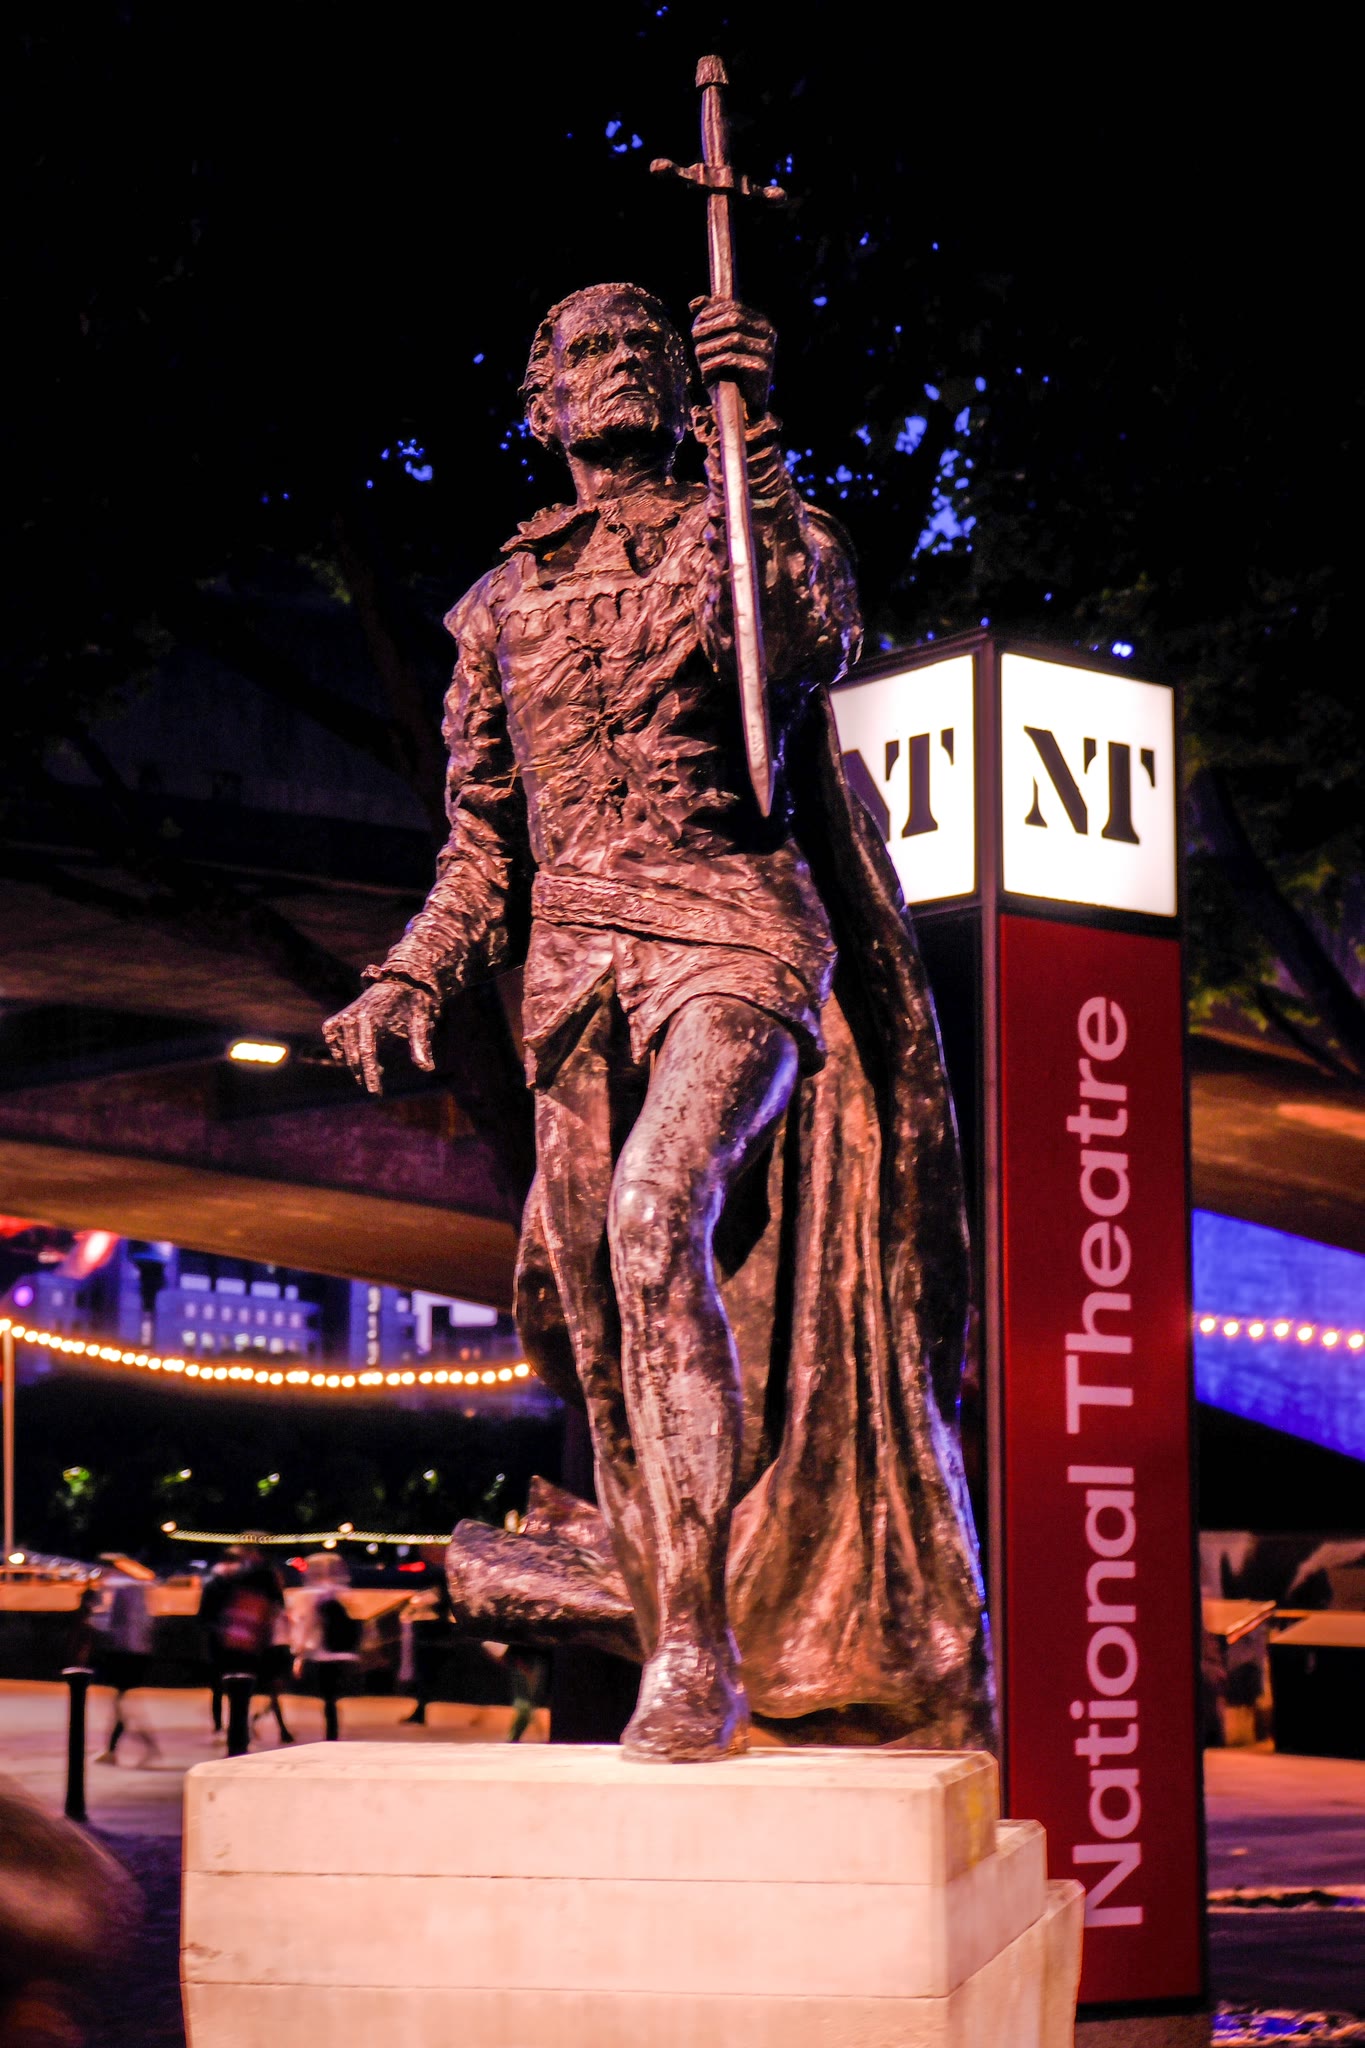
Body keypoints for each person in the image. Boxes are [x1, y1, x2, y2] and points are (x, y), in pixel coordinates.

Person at [325, 284, 991, 1761]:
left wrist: (759, 457)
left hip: (735, 923)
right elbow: (485, 841)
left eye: (646, 346)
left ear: (688, 389)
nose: (620, 363)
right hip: (573, 964)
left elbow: (801, 645)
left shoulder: (746, 529)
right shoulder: (497, 607)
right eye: (588, 350)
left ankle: (693, 1650)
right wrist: (411, 975)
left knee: (651, 1214)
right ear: (542, 405)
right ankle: (669, 1583)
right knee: (593, 1316)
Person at [290, 1552, 361, 1739]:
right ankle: (333, 1731)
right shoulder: (344, 1593)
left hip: (320, 1652)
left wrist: (298, 1652)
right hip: (341, 1652)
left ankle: (331, 1733)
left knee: (327, 1697)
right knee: (333, 1696)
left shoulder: (308, 1596)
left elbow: (305, 1624)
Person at [92, 1573, 159, 1766]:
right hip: (138, 1655)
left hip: (124, 1655)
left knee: (121, 1706)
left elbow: (112, 1623)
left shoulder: (119, 1592)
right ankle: (114, 1749)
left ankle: (138, 1746)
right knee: (122, 1704)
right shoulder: (139, 1596)